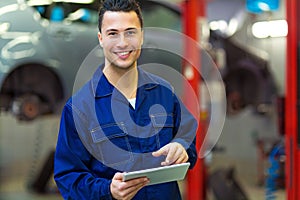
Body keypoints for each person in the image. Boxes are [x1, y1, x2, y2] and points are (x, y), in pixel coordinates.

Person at [54, 0, 198, 199]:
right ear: (100, 39)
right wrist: (108, 190)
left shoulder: (164, 93)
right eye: (113, 33)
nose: (122, 43)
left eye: (130, 32)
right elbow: (68, 177)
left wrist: (182, 147)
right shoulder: (79, 108)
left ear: (141, 37)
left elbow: (188, 137)